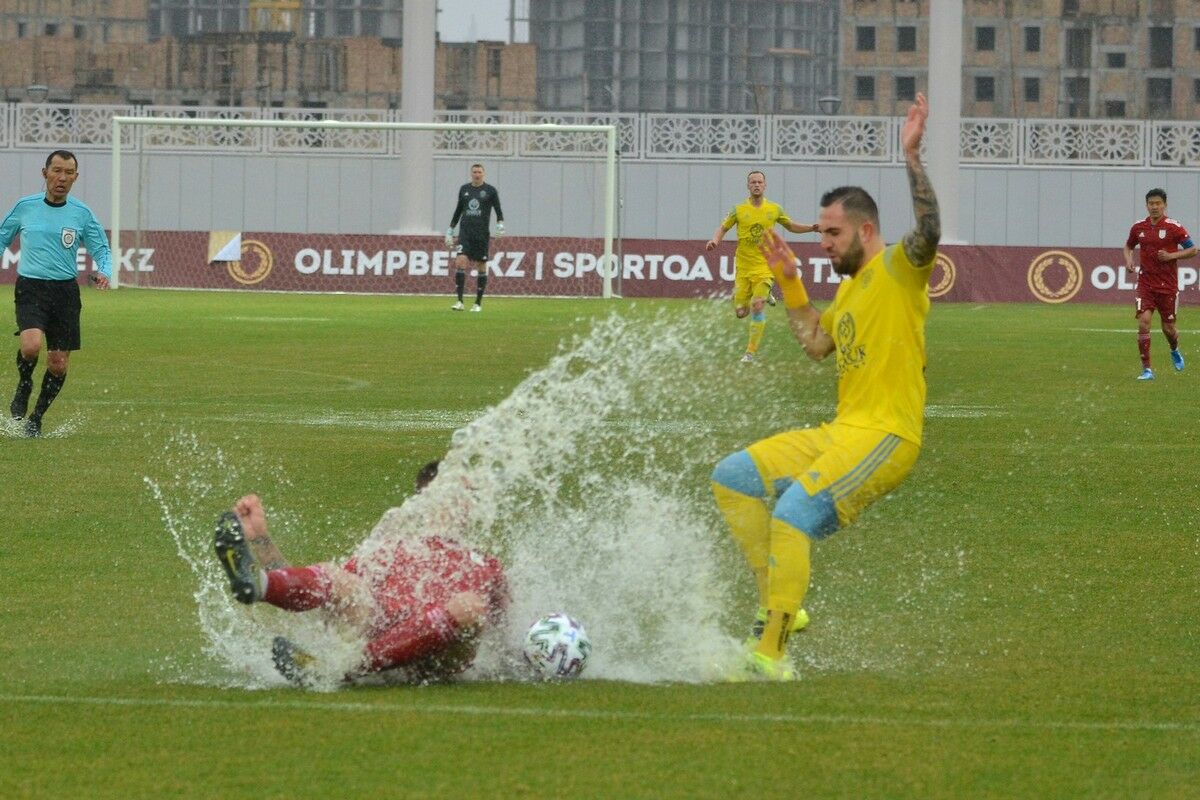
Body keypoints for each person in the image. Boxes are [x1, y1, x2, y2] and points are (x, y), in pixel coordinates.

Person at [710, 93, 941, 681]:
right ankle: (780, 606)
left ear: (866, 229)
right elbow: (815, 343)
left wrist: (912, 156)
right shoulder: (848, 291)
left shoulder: (899, 270)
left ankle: (772, 652)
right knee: (733, 477)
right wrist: (790, 281)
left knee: (792, 514)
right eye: (822, 235)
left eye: (833, 233)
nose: (824, 243)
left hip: (888, 436)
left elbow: (929, 228)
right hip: (843, 433)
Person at [214, 462, 509, 686]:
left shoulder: (486, 565)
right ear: (423, 500)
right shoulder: (388, 547)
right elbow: (321, 599)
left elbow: (502, 636)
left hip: (435, 658)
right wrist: (261, 540)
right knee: (340, 578)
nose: (464, 503)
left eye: (468, 496)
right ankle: (260, 585)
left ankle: (342, 669)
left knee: (470, 606)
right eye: (455, 494)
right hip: (372, 630)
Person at [3, 149, 112, 437]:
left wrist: (105, 270)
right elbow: (2, 236)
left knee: (59, 364)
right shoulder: (25, 206)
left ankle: (35, 419)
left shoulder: (82, 213)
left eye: (68, 173)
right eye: (57, 171)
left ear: (76, 177)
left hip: (65, 293)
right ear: (45, 173)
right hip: (31, 287)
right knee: (30, 347)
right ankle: (24, 384)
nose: (61, 178)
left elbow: (101, 248)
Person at [705, 170, 817, 363]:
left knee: (757, 306)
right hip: (743, 267)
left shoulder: (774, 209)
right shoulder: (738, 210)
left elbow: (790, 226)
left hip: (765, 266)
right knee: (741, 312)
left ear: (765, 186)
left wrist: (811, 228)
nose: (756, 185)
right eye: (753, 182)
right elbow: (723, 227)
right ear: (748, 186)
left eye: (759, 182)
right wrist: (715, 240)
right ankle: (762, 294)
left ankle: (749, 353)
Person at [1123, 188, 1196, 381]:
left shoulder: (1174, 227)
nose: (1154, 207)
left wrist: (1171, 256)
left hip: (1168, 286)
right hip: (1145, 283)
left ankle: (1174, 349)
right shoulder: (1138, 227)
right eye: (1151, 203)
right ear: (1146, 205)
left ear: (1165, 205)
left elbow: (1193, 250)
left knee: (1168, 328)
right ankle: (1147, 370)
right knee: (1144, 323)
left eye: (1158, 203)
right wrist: (1129, 260)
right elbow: (1129, 245)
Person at [446, 163, 504, 313]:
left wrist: (500, 225)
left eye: (479, 172)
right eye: (474, 172)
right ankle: (459, 301)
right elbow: (458, 210)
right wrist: (450, 229)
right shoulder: (464, 189)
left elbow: (498, 209)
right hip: (465, 232)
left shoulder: (490, 191)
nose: (477, 174)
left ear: (483, 174)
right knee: (460, 262)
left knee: (481, 266)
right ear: (471, 174)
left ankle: (477, 303)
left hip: (481, 234)